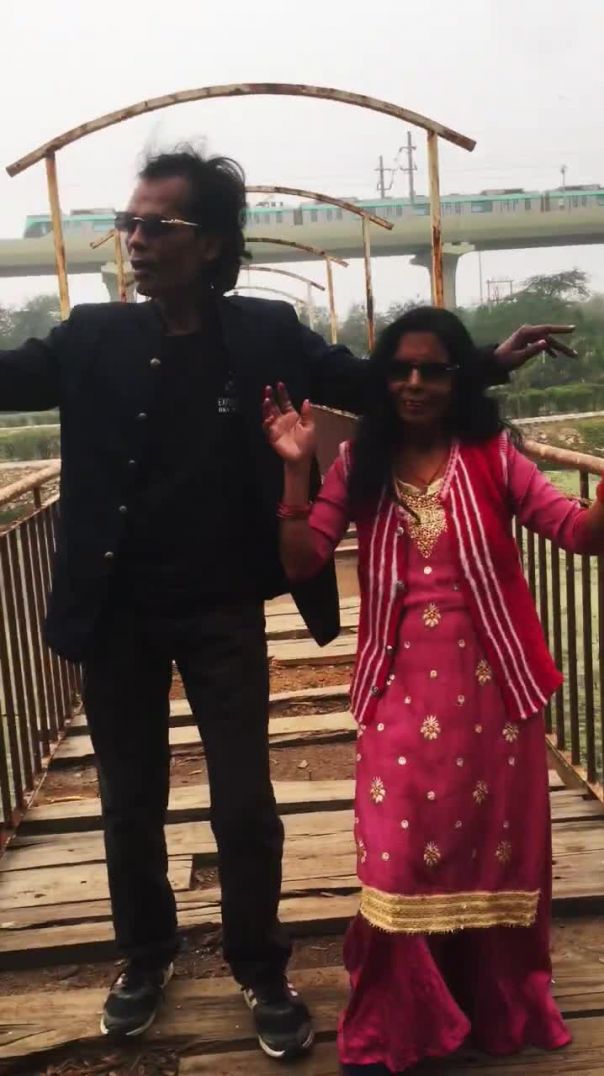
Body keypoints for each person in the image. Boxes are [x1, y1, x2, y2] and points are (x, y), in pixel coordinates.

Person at [0, 145, 575, 1060]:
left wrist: (484, 364)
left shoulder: (266, 333)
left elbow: (369, 380)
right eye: (128, 224)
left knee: (244, 802)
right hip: (116, 613)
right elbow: (10, 376)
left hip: (223, 606)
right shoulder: (90, 335)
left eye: (157, 224)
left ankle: (260, 967)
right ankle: (144, 958)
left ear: (211, 241)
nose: (135, 239)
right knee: (129, 798)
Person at [263, 305, 604, 1074]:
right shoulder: (358, 462)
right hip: (397, 691)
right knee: (396, 856)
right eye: (400, 369)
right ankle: (397, 1020)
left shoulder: (494, 457)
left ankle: (492, 1007)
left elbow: (577, 534)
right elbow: (303, 561)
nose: (414, 383)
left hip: (497, 693)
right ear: (384, 379)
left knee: (492, 855)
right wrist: (294, 468)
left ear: (458, 380)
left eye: (432, 370)